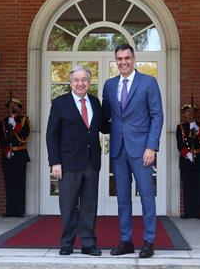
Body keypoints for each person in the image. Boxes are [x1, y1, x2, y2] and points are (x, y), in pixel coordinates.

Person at [102, 44, 163, 258]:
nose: (123, 62)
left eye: (127, 58)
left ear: (134, 58)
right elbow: (105, 117)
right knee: (122, 198)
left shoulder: (148, 82)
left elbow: (157, 116)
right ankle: (126, 240)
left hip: (142, 150)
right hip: (118, 150)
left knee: (147, 196)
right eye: (119, 59)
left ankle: (148, 242)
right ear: (115, 61)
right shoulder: (109, 85)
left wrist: (151, 147)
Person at [46, 65, 108, 256]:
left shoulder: (95, 102)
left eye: (84, 80)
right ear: (70, 83)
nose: (80, 83)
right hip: (68, 163)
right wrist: (55, 162)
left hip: (91, 162)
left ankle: (88, 244)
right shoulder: (60, 103)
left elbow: (105, 127)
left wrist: (128, 120)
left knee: (89, 205)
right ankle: (67, 243)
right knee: (68, 205)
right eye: (76, 80)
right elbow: (51, 134)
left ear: (89, 82)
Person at [0, 98, 30, 218]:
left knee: (19, 183)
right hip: (7, 155)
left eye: (15, 105)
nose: (13, 107)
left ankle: (19, 211)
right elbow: (1, 138)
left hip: (20, 155)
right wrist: (6, 151)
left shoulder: (24, 120)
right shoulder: (3, 121)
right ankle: (10, 210)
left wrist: (15, 125)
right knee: (9, 183)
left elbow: (25, 134)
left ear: (19, 107)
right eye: (11, 105)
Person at [176, 104, 200, 219]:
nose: (190, 114)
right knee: (187, 186)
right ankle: (188, 211)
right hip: (186, 160)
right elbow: (180, 144)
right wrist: (188, 154)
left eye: (192, 112)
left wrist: (198, 131)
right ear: (184, 114)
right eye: (187, 112)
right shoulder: (180, 127)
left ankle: (197, 212)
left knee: (199, 186)